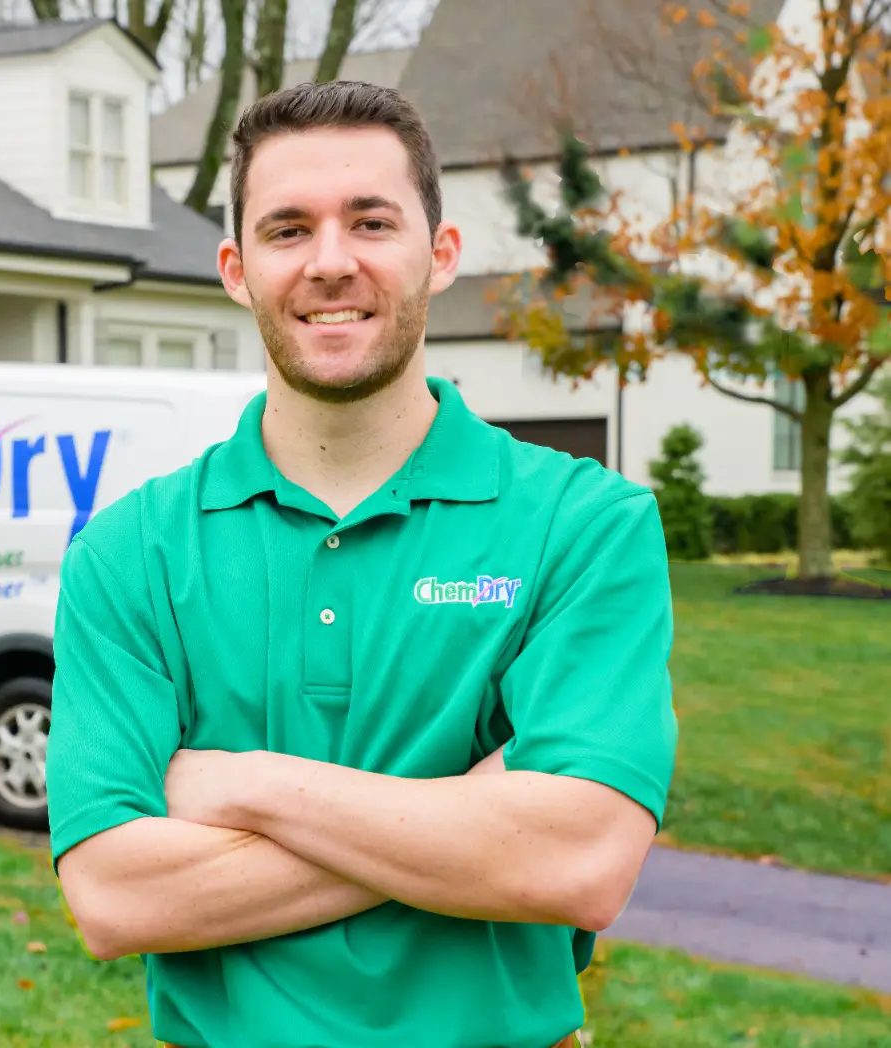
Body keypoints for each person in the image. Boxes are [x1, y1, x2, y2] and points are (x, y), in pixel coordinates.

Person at [44, 80, 678, 1048]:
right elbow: (115, 899)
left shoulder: (584, 525)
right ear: (236, 268)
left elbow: (578, 866)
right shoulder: (130, 551)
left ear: (442, 253)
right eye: (288, 229)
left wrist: (244, 785)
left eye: (372, 221)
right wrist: (475, 812)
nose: (330, 262)